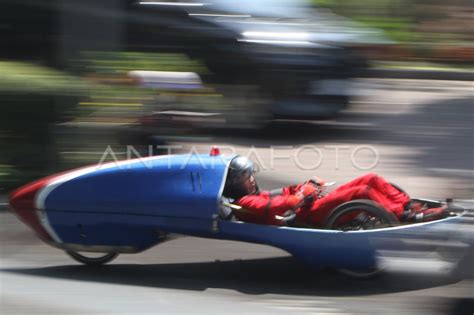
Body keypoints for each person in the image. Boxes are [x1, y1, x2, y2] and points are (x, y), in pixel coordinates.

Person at [222, 156, 448, 227]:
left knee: (371, 178)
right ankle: (404, 215)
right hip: (305, 217)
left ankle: (406, 204)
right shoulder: (245, 204)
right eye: (245, 177)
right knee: (362, 191)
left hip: (308, 206)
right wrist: (302, 195)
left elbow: (283, 193)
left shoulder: (253, 194)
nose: (251, 179)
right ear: (234, 184)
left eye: (250, 174)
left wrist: (306, 185)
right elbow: (278, 207)